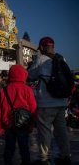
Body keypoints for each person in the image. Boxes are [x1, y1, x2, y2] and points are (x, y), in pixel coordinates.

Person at [27, 36, 71, 164]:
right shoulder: (61, 59)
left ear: (41, 47)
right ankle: (65, 156)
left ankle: (44, 159)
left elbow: (29, 76)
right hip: (62, 102)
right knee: (61, 130)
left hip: (46, 103)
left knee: (45, 132)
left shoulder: (40, 60)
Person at [0, 64, 37, 165]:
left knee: (9, 147)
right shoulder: (27, 89)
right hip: (23, 123)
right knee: (24, 147)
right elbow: (33, 109)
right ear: (23, 74)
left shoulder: (4, 90)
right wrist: (31, 125)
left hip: (8, 124)